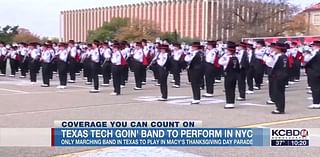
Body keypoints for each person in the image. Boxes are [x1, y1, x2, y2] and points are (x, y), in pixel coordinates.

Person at [265, 43, 289, 114]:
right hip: (283, 75)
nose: (274, 49)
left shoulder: (277, 56)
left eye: (276, 48)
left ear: (279, 49)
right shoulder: (285, 56)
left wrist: (270, 56)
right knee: (281, 92)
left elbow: (269, 63)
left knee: (278, 92)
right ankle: (280, 108)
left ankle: (279, 108)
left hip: (277, 76)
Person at [219, 41, 240, 109]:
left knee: (228, 89)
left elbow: (220, 62)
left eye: (227, 51)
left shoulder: (227, 58)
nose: (226, 52)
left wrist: (225, 56)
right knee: (232, 89)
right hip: (234, 74)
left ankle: (229, 102)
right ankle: (232, 102)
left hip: (228, 74)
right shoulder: (236, 58)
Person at [304, 40, 320, 109]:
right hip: (317, 71)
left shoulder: (313, 53)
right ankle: (317, 100)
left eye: (313, 46)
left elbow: (306, 60)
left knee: (315, 88)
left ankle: (316, 102)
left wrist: (307, 54)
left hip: (314, 72)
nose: (312, 47)